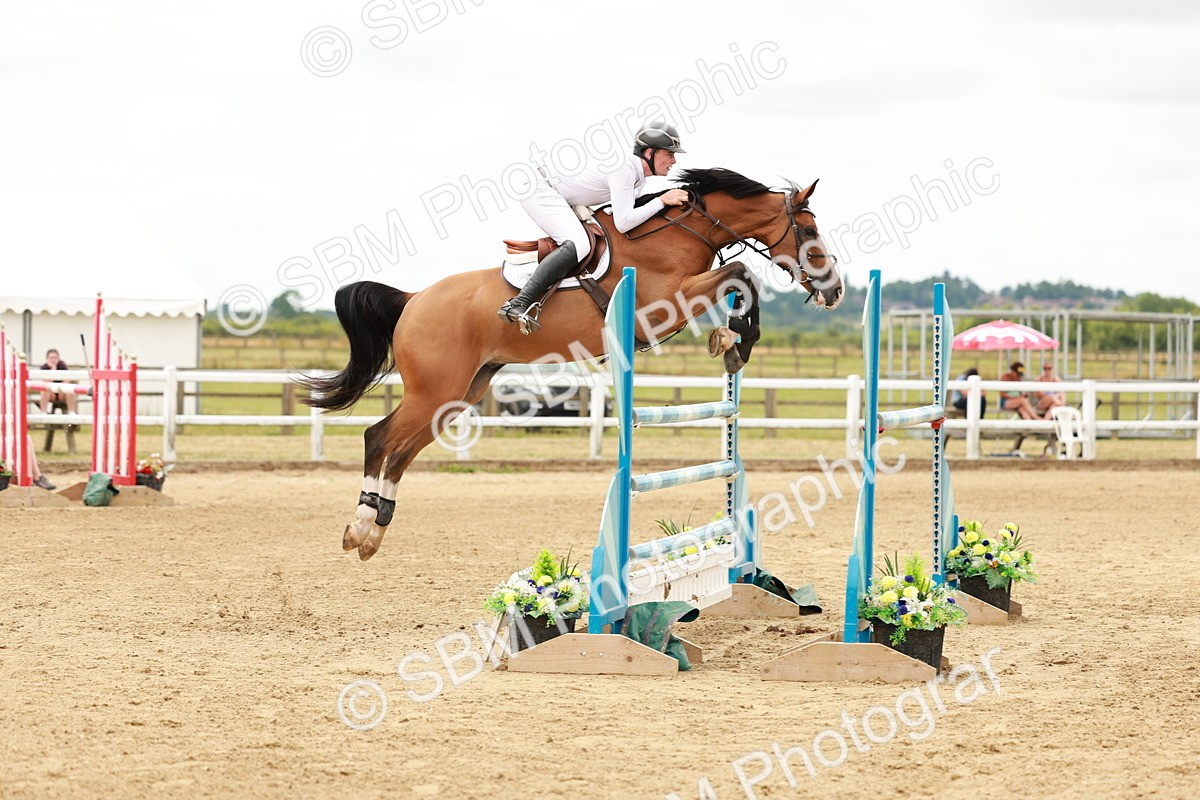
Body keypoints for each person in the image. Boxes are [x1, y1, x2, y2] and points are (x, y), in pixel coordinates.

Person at [497, 120, 690, 333]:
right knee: (580, 244)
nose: (673, 160)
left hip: (558, 194)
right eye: (670, 153)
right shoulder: (625, 168)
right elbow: (624, 223)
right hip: (539, 189)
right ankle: (518, 303)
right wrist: (662, 200)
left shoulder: (639, 180)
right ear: (650, 152)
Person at [36, 349, 77, 414]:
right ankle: (43, 412)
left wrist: (61, 390)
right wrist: (53, 370)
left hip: (62, 392)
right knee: (44, 391)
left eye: (55, 358)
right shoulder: (44, 367)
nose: (53, 360)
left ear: (58, 359)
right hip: (50, 393)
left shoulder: (62, 365)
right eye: (51, 358)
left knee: (70, 390)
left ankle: (71, 412)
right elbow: (45, 383)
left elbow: (67, 380)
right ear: (47, 359)